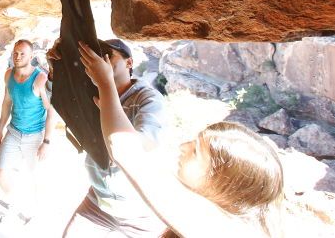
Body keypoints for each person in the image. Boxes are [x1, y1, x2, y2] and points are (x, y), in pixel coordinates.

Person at [78, 41, 285, 238]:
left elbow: (127, 151)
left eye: (196, 151)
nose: (183, 146)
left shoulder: (213, 226)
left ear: (223, 180)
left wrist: (105, 85)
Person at [55, 38, 169, 237]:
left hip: (140, 210)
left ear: (129, 63)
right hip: (99, 199)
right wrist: (56, 67)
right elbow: (61, 102)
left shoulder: (148, 99)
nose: (103, 60)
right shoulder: (94, 92)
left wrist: (105, 83)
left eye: (109, 55)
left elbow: (139, 150)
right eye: (100, 55)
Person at [0, 39, 57, 215]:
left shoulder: (40, 77)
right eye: (15, 53)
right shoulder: (8, 75)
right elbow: (6, 103)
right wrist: (0, 129)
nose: (18, 57)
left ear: (31, 56)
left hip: (34, 137)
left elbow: (50, 110)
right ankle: (17, 206)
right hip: (13, 132)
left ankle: (37, 213)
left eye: (22, 54)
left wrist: (47, 141)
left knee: (37, 179)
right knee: (0, 175)